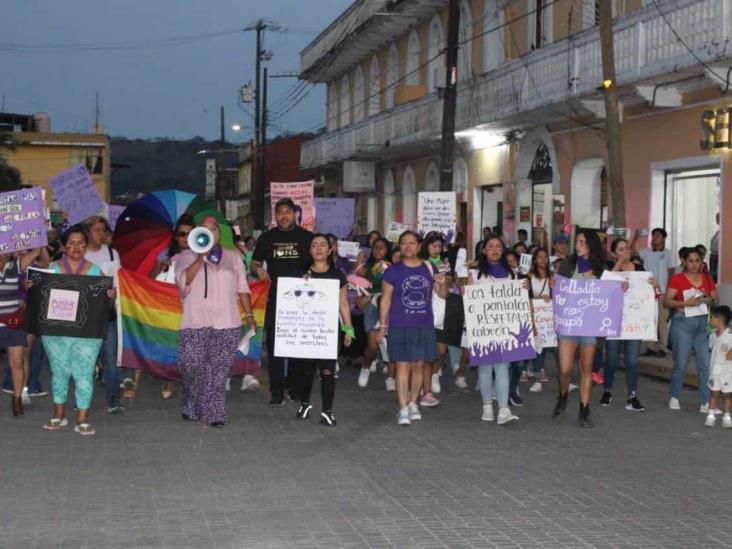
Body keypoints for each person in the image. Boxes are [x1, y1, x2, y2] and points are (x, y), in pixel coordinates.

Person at [175, 216, 257, 426]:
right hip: (195, 321)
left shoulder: (233, 257)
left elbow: (242, 288)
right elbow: (183, 283)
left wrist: (249, 316)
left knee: (218, 370)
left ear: (219, 234)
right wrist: (200, 257)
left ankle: (215, 413)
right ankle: (192, 401)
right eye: (205, 229)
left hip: (227, 321)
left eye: (214, 229)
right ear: (197, 233)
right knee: (191, 366)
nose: (210, 232)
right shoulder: (186, 256)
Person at [35, 226, 115, 434]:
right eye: (71, 242)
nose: (76, 247)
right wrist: (31, 287)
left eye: (81, 243)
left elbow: (106, 303)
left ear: (86, 246)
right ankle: (58, 415)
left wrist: (110, 295)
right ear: (63, 246)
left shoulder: (97, 272)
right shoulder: (51, 270)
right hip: (56, 333)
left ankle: (83, 419)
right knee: (59, 373)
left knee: (84, 374)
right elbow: (39, 299)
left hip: (87, 333)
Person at [251, 198, 313, 405]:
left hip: (301, 300)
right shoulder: (267, 239)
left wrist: (311, 276)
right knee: (275, 345)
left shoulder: (307, 238)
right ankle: (276, 390)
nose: (284, 216)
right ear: (275, 215)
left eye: (288, 212)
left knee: (297, 344)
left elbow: (319, 264)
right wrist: (259, 270)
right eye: (280, 212)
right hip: (274, 298)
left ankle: (294, 387)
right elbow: (254, 263)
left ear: (295, 214)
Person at [293, 235, 354, 426]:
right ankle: (304, 404)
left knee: (327, 371)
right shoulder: (301, 273)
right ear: (310, 250)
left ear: (330, 250)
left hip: (327, 330)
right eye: (314, 245)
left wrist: (348, 329)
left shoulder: (337, 276)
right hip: (306, 329)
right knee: (306, 370)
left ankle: (327, 411)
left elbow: (343, 304)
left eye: (323, 245)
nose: (318, 248)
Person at [378, 231, 436, 426]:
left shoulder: (429, 268)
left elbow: (441, 294)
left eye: (412, 243)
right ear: (399, 247)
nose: (408, 247)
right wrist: (383, 326)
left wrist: (443, 284)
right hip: (400, 324)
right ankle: (403, 408)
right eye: (403, 243)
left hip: (424, 323)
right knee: (402, 366)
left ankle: (413, 403)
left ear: (419, 246)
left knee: (419, 365)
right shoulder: (392, 271)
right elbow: (385, 300)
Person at [554, 229, 606, 428]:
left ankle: (584, 410)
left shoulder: (601, 270)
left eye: (582, 242)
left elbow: (610, 293)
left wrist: (622, 287)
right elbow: (559, 291)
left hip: (590, 325)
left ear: (591, 245)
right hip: (569, 323)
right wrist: (554, 285)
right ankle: (563, 394)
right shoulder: (568, 265)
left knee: (586, 368)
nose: (578, 245)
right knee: (565, 369)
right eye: (577, 241)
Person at [470, 236, 520, 425]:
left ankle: (503, 408)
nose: (494, 250)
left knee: (503, 367)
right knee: (485, 368)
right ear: (484, 250)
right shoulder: (475, 274)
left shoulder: (513, 273)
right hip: (483, 327)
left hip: (505, 326)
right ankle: (486, 406)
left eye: (498, 246)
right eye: (490, 246)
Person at [600, 238, 653, 412]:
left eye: (627, 248)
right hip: (614, 320)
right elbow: (604, 285)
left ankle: (632, 395)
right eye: (620, 249)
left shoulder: (639, 270)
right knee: (612, 359)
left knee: (632, 360)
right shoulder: (609, 268)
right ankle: (607, 390)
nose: (625, 252)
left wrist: (654, 285)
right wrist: (619, 265)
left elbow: (649, 289)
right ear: (614, 253)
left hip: (634, 321)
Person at [664, 247, 718, 412]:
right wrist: (685, 303)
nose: (694, 264)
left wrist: (706, 299)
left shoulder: (707, 279)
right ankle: (674, 396)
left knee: (705, 364)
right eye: (690, 261)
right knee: (681, 362)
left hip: (702, 325)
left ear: (702, 262)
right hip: (682, 323)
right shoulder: (678, 279)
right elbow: (667, 302)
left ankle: (705, 401)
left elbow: (715, 299)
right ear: (684, 262)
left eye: (697, 261)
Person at [149, 214, 195, 398]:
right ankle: (170, 379)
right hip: (169, 306)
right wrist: (162, 266)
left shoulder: (202, 254)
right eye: (182, 234)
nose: (185, 238)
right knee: (172, 343)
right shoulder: (166, 254)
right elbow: (150, 279)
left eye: (189, 234)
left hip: (193, 306)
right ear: (176, 236)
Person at [83, 215, 124, 413]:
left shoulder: (111, 253)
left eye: (102, 230)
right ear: (88, 233)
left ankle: (114, 399)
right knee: (85, 359)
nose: (100, 234)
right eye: (96, 230)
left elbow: (119, 279)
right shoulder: (80, 253)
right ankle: (82, 400)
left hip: (107, 313)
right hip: (86, 315)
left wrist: (115, 294)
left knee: (110, 359)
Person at [0, 247, 41, 416]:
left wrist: (39, 226)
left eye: (4, 248)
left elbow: (36, 253)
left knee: (17, 361)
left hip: (13, 320)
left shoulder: (15, 266)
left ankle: (17, 399)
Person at [632, 228, 675, 358]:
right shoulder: (646, 252)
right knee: (650, 319)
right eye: (653, 235)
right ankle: (651, 346)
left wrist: (669, 290)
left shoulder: (668, 253)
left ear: (663, 238)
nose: (655, 238)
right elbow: (632, 253)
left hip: (662, 292)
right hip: (647, 292)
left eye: (658, 235)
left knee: (662, 320)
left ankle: (662, 346)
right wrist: (636, 237)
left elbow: (671, 271)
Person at [356, 237, 391, 389]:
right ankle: (366, 368)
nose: (378, 250)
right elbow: (356, 279)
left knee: (392, 343)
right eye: (375, 247)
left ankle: (392, 376)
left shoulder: (393, 266)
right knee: (372, 343)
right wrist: (359, 260)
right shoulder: (367, 266)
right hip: (372, 304)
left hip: (391, 305)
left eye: (382, 247)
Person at [527, 247, 553, 393]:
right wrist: (538, 299)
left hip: (548, 316)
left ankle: (541, 374)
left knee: (548, 347)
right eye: (540, 257)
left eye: (545, 257)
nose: (543, 260)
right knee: (537, 346)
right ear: (535, 260)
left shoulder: (552, 276)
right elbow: (527, 295)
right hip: (535, 314)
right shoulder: (529, 276)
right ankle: (536, 376)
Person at [705, 305, 732, 428]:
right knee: (714, 393)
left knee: (727, 395)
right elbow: (711, 348)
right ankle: (711, 415)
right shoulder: (713, 334)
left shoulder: (730, 336)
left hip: (727, 372)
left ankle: (727, 416)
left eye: (712, 318)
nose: (710, 320)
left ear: (719, 320)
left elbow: (729, 356)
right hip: (715, 371)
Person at [710, 213, 720, 282]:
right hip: (714, 257)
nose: (717, 221)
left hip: (718, 257)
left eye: (719, 218)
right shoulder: (718, 232)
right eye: (717, 219)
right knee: (713, 279)